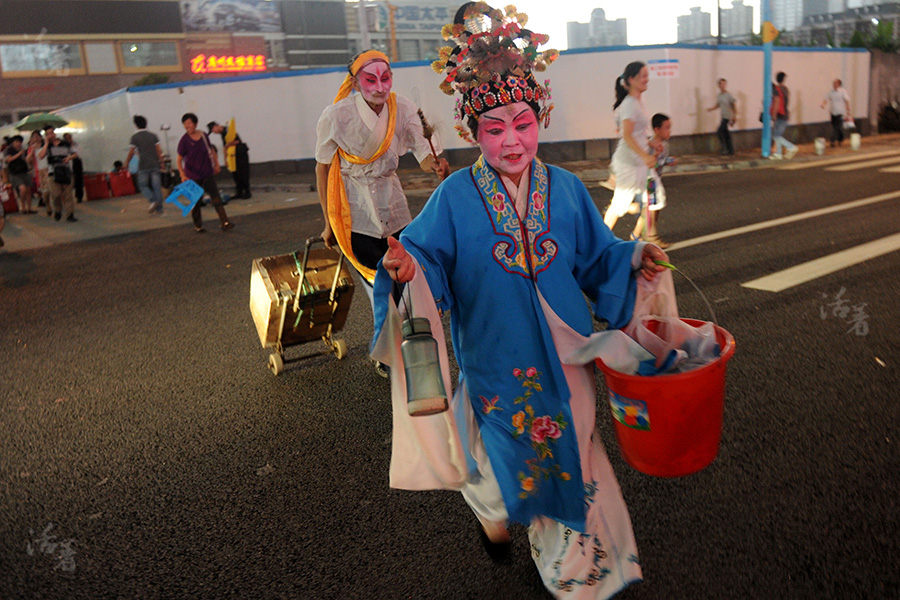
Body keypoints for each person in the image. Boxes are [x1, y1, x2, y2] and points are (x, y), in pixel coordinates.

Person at [374, 4, 668, 598]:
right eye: (494, 128)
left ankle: (579, 577)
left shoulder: (564, 188)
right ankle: (499, 509)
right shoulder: (456, 196)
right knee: (518, 453)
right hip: (498, 361)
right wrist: (409, 265)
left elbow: (596, 256)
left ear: (542, 119)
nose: (512, 140)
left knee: (575, 457)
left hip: (568, 357)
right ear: (473, 133)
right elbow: (426, 259)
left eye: (523, 123)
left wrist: (632, 259)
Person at [314, 48, 450, 375]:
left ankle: (410, 346)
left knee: (406, 281)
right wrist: (328, 222)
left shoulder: (403, 107)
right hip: (354, 211)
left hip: (394, 205)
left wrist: (436, 165)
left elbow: (422, 150)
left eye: (385, 77)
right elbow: (321, 169)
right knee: (379, 286)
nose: (379, 86)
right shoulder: (335, 115)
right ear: (356, 82)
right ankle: (385, 353)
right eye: (370, 79)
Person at [604, 61, 658, 232]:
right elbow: (626, 135)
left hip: (639, 162)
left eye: (647, 76)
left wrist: (650, 144)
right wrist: (645, 155)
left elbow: (637, 133)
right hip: (629, 163)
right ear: (632, 79)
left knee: (651, 199)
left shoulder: (638, 101)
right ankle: (600, 240)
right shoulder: (629, 104)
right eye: (643, 76)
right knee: (618, 207)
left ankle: (639, 239)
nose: (647, 79)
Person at [176, 112, 234, 233]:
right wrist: (182, 174)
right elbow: (179, 159)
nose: (187, 126)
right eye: (185, 125)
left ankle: (225, 222)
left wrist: (217, 164)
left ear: (195, 124)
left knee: (216, 197)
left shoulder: (203, 135)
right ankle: (198, 225)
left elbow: (211, 150)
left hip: (207, 172)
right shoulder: (184, 141)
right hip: (192, 175)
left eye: (189, 123)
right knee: (196, 201)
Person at [630, 113, 673, 248]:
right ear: (656, 129)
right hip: (649, 181)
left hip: (655, 179)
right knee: (651, 208)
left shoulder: (664, 145)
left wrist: (669, 160)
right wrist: (656, 155)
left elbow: (661, 162)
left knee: (653, 208)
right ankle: (651, 237)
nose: (669, 131)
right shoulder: (651, 145)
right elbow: (647, 163)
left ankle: (636, 236)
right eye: (666, 128)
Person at [125, 115, 166, 214]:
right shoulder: (153, 136)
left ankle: (153, 200)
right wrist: (162, 162)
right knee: (157, 187)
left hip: (143, 165)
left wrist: (126, 163)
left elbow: (131, 152)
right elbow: (159, 151)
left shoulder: (134, 137)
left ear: (136, 125)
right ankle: (159, 209)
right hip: (155, 164)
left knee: (142, 185)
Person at [38, 126, 78, 222]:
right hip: (53, 172)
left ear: (55, 133)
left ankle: (70, 214)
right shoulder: (47, 146)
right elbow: (41, 156)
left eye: (51, 133)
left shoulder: (64, 143)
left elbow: (75, 154)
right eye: (48, 134)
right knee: (56, 194)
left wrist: (69, 158)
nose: (50, 135)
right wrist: (47, 143)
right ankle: (58, 210)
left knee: (68, 194)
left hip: (65, 170)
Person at [207, 119, 251, 198]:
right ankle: (239, 192)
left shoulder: (229, 130)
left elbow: (237, 142)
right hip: (232, 155)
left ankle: (247, 192)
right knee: (235, 174)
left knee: (243, 173)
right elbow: (226, 147)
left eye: (213, 130)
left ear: (215, 126)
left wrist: (228, 145)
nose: (214, 132)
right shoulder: (222, 133)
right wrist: (226, 159)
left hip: (240, 153)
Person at [770, 71, 798, 160]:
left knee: (776, 136)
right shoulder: (786, 89)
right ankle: (778, 154)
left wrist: (774, 115)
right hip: (785, 113)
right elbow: (786, 101)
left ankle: (791, 147)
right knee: (777, 135)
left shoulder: (776, 90)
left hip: (780, 115)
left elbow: (777, 102)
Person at [4, 135, 34, 214]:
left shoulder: (23, 149)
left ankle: (29, 208)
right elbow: (8, 159)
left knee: (28, 191)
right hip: (15, 173)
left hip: (25, 171)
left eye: (20, 142)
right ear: (13, 142)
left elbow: (27, 159)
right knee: (22, 189)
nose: (18, 144)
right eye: (16, 142)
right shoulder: (9, 150)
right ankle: (22, 206)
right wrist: (19, 154)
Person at [707, 78, 736, 155]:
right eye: (721, 84)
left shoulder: (728, 95)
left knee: (720, 131)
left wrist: (734, 116)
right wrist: (711, 109)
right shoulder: (719, 95)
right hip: (723, 116)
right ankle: (730, 150)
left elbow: (733, 105)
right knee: (726, 133)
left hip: (728, 116)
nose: (722, 86)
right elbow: (718, 105)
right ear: (719, 85)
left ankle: (725, 148)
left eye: (724, 84)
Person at [820, 78, 852, 147]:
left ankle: (832, 141)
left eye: (835, 83)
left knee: (836, 127)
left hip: (840, 112)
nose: (834, 85)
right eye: (833, 83)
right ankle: (840, 139)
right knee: (836, 127)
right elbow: (826, 98)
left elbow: (847, 100)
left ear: (839, 84)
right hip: (833, 112)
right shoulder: (831, 92)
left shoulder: (843, 91)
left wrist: (848, 108)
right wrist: (823, 104)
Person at [62, 133, 84, 203]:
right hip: (67, 163)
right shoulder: (63, 146)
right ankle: (67, 197)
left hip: (76, 162)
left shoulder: (75, 144)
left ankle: (79, 196)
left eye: (70, 137)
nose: (69, 139)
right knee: (68, 181)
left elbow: (79, 153)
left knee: (78, 180)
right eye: (67, 138)